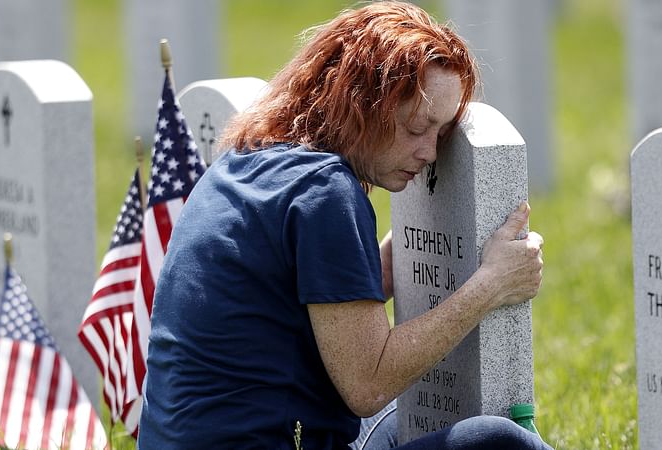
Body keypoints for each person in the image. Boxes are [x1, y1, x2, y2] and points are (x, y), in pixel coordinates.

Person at [138, 2, 548, 449]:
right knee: (499, 440)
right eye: (416, 128)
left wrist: (415, 250)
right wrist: (491, 285)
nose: (430, 152)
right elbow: (367, 385)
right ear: (361, 104)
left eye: (441, 134)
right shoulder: (325, 191)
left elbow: (313, 299)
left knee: (406, 415)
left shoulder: (245, 158)